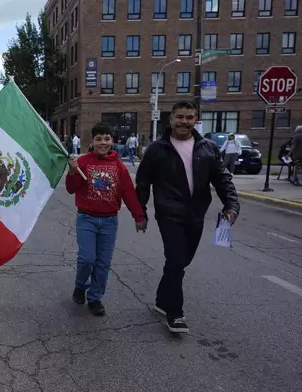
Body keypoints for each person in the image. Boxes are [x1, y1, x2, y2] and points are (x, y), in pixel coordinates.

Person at [135, 100, 240, 334]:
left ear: (196, 120)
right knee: (175, 259)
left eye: (190, 117)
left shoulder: (208, 148)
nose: (184, 121)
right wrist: (139, 213)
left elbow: (222, 179)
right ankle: (175, 312)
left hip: (196, 214)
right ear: (170, 119)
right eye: (179, 117)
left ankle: (163, 298)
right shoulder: (156, 149)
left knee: (182, 261)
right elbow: (142, 183)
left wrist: (231, 205)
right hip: (169, 213)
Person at [66, 122, 147, 316]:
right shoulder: (83, 161)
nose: (103, 142)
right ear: (92, 141)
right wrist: (72, 171)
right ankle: (80, 285)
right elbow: (71, 188)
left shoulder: (118, 165)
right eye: (99, 139)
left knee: (103, 263)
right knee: (87, 259)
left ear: (112, 141)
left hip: (110, 221)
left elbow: (128, 192)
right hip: (86, 219)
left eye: (107, 138)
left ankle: (95, 297)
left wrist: (139, 216)